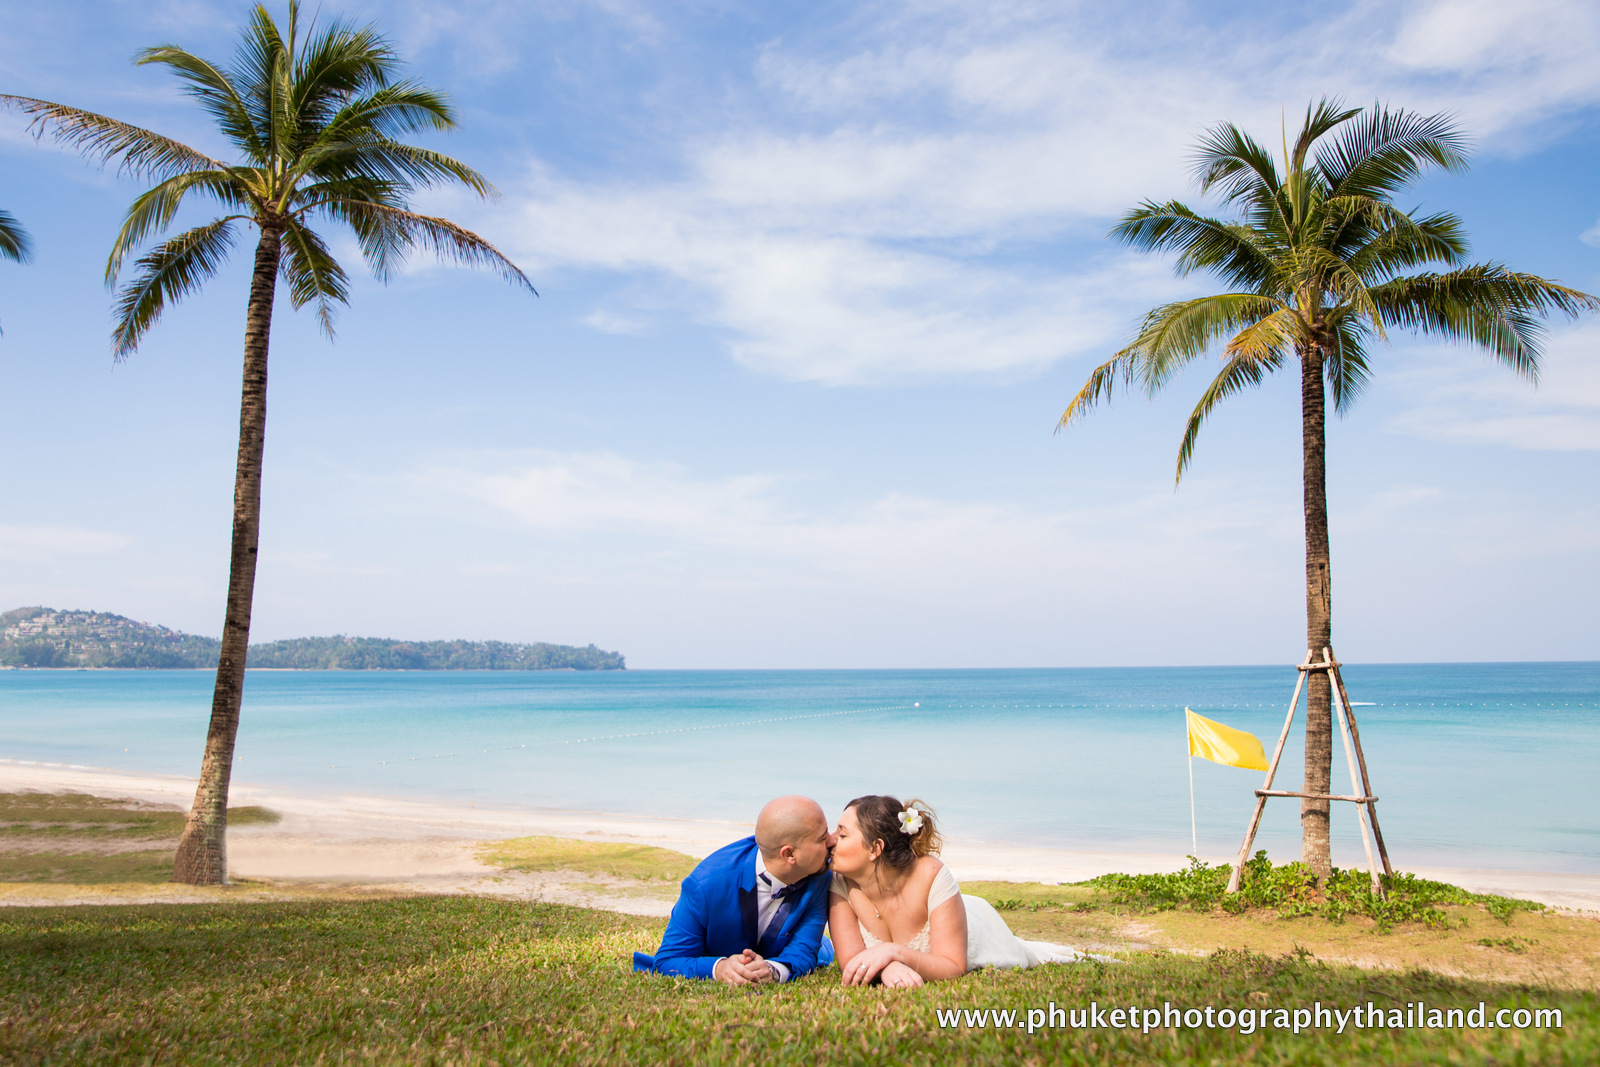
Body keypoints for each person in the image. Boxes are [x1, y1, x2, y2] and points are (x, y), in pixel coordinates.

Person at [828, 795, 1105, 987]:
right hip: (952, 914)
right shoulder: (840, 882)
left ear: (875, 849)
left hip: (978, 927)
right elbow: (851, 961)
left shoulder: (931, 875)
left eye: (842, 834)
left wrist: (894, 953)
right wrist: (887, 965)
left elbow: (953, 966)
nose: (831, 840)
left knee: (1027, 955)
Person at [634, 795, 836, 985]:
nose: (832, 840)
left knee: (824, 951)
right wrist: (719, 968)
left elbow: (804, 951)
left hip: (802, 949)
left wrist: (772, 970)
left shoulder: (819, 876)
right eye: (821, 837)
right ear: (789, 854)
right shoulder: (704, 885)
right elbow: (667, 962)